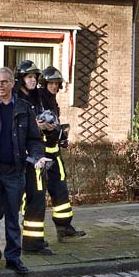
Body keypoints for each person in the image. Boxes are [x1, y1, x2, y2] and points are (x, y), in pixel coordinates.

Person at [0, 67, 48, 276]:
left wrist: (37, 156)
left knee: (13, 217)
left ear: (13, 83)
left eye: (4, 81)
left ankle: (13, 258)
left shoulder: (24, 108)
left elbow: (34, 138)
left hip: (14, 172)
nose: (0, 85)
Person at [37, 66, 86, 241]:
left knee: (61, 192)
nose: (55, 87)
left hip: (54, 153)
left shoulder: (52, 101)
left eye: (57, 84)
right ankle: (33, 236)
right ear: (44, 83)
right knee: (35, 196)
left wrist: (60, 134)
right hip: (40, 156)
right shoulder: (39, 98)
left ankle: (64, 227)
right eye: (51, 83)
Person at [14, 60, 54, 255]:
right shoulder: (14, 100)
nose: (32, 80)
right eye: (29, 77)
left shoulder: (37, 98)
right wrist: (35, 127)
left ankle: (33, 243)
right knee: (3, 203)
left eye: (34, 77)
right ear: (20, 79)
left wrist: (48, 126)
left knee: (37, 198)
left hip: (36, 157)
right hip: (18, 159)